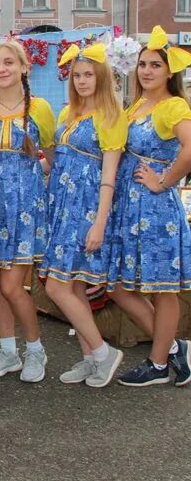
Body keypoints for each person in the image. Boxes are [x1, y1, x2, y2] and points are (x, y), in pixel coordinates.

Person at [107, 25, 191, 387]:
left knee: (162, 286)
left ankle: (158, 363)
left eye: (155, 65)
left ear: (169, 71)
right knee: (117, 285)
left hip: (156, 208)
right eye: (143, 64)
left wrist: (165, 180)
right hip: (129, 204)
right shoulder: (138, 103)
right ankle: (174, 347)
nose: (147, 71)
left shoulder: (174, 105)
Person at [0, 40, 55, 383]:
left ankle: (35, 350)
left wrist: (34, 188)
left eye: (8, 63)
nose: (1, 69)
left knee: (13, 286)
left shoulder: (42, 109)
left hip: (25, 209)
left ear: (24, 67)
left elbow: (51, 156)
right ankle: (8, 352)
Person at [40, 43, 126, 388]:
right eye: (76, 75)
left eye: (88, 74)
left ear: (102, 77)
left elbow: (109, 176)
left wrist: (100, 222)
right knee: (71, 285)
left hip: (86, 208)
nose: (81, 81)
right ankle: (90, 358)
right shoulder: (68, 115)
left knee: (57, 287)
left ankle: (105, 354)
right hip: (61, 206)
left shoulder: (111, 117)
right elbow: (56, 162)